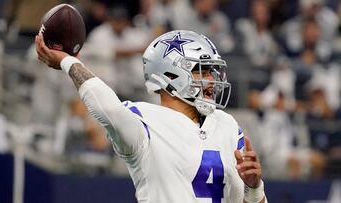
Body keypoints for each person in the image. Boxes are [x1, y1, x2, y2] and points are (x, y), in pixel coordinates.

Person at [35, 30, 267, 202]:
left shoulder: (226, 125)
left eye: (211, 71)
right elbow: (109, 108)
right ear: (170, 74)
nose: (211, 80)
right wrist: (68, 61)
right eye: (201, 71)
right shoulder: (144, 120)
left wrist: (254, 189)